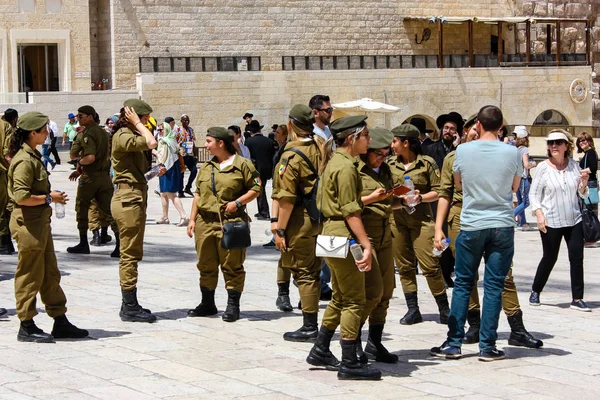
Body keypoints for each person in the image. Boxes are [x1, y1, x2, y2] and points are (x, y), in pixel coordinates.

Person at [434, 117, 543, 349]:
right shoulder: (461, 155)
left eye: (476, 129)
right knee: (473, 282)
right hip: (480, 220)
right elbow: (446, 192)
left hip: (473, 222)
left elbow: (460, 185)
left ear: (481, 126)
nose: (474, 133)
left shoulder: (462, 153)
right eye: (470, 130)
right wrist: (438, 228)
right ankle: (480, 334)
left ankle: (510, 329)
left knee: (494, 280)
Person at [306, 115, 381, 381]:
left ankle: (321, 348)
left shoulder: (333, 163)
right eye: (365, 136)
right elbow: (350, 211)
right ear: (352, 138)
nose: (369, 141)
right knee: (353, 300)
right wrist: (366, 244)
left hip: (329, 235)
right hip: (344, 235)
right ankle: (349, 361)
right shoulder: (346, 167)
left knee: (340, 296)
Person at [8, 111, 88, 342]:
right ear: (33, 133)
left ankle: (59, 320)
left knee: (50, 273)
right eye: (44, 129)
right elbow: (21, 197)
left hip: (39, 224)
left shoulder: (33, 155)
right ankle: (26, 324)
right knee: (30, 274)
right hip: (28, 226)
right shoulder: (24, 160)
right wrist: (49, 198)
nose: (47, 132)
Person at [186, 127, 261, 322]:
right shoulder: (206, 167)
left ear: (221, 143)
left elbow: (256, 188)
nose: (207, 145)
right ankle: (207, 303)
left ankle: (233, 305)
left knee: (232, 264)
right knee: (205, 264)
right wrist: (192, 219)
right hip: (205, 222)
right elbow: (197, 194)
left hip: (231, 222)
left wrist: (238, 203)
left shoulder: (243, 165)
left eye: (209, 141)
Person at [271, 105, 331, 341]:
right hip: (321, 218)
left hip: (300, 220)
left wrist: (280, 229)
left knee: (305, 273)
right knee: (316, 270)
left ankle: (309, 325)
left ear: (291, 124)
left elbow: (286, 198)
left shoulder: (291, 154)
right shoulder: (321, 146)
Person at [388, 124, 448, 325]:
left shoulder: (427, 163)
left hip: (421, 220)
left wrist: (420, 197)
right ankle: (413, 309)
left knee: (430, 265)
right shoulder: (389, 164)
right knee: (404, 267)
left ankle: (444, 308)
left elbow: (439, 191)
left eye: (395, 141)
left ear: (406, 143)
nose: (392, 145)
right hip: (397, 220)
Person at [112, 99, 163, 323]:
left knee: (133, 252)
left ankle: (130, 303)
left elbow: (136, 171)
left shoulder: (129, 135)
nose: (147, 123)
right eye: (144, 118)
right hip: (127, 199)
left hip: (134, 195)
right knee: (129, 254)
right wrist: (137, 123)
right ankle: (129, 306)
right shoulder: (123, 134)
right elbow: (151, 142)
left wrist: (153, 173)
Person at [529, 129, 591, 312]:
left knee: (577, 258)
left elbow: (581, 193)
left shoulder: (574, 165)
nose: (553, 146)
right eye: (550, 143)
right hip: (551, 220)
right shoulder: (543, 168)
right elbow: (534, 194)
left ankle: (577, 298)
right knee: (549, 257)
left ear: (566, 146)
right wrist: (539, 214)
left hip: (574, 219)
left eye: (558, 142)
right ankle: (535, 290)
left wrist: (584, 183)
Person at [358, 127, 402, 363]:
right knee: (370, 293)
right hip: (365, 238)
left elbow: (389, 202)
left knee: (386, 291)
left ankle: (374, 343)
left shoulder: (386, 171)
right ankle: (352, 339)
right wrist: (370, 198)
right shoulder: (355, 171)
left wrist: (403, 201)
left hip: (385, 237)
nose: (382, 158)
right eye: (378, 154)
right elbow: (345, 204)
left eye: (386, 154)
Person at [65, 106, 119, 257]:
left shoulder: (87, 134)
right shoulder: (103, 132)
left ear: (90, 117)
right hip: (104, 177)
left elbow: (87, 157)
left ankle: (83, 243)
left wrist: (80, 163)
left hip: (90, 178)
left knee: (82, 207)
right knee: (109, 210)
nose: (78, 118)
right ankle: (119, 244)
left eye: (80, 116)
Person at [156, 122, 189, 226]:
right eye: (158, 130)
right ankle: (165, 217)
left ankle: (184, 216)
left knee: (171, 193)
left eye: (161, 130)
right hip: (171, 167)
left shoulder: (164, 141)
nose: (159, 132)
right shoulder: (172, 140)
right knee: (163, 193)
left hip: (166, 168)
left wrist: (154, 152)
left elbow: (161, 155)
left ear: (166, 129)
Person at [245, 120, 275, 220]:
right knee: (260, 188)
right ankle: (261, 211)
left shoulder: (249, 141)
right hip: (268, 170)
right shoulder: (269, 141)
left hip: (256, 171)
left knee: (260, 189)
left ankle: (264, 212)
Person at [0, 109, 18, 255]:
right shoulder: (6, 127)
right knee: (3, 207)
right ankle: (4, 242)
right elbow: (7, 153)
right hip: (2, 172)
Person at [513, 126, 536, 229]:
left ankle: (523, 223)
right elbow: (526, 165)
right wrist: (534, 164)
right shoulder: (524, 149)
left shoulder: (515, 149)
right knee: (526, 202)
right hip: (523, 177)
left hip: (516, 177)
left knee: (520, 201)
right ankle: (510, 216)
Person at [175, 114, 198, 197]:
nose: (187, 122)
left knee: (194, 171)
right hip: (181, 154)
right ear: (181, 121)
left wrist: (196, 155)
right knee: (181, 172)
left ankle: (188, 187)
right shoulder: (178, 130)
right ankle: (180, 191)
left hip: (189, 154)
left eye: (188, 120)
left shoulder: (191, 130)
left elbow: (193, 142)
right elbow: (174, 141)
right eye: (185, 120)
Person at [576, 131, 598, 217]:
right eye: (579, 141)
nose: (581, 143)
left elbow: (593, 168)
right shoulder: (587, 153)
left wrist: (578, 172)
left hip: (589, 184)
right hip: (588, 183)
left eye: (584, 140)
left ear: (589, 141)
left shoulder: (591, 152)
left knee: (589, 211)